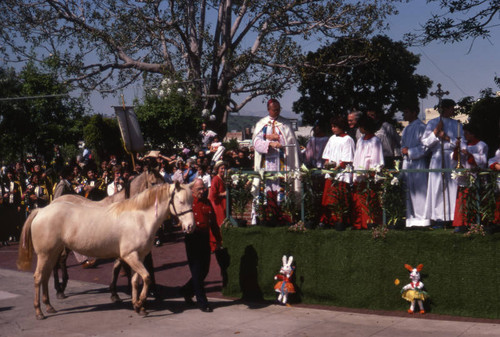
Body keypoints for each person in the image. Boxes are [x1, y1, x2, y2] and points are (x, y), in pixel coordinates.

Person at [251, 99, 300, 225]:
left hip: (282, 163)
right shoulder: (262, 124)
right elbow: (256, 143)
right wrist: (269, 142)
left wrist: (280, 142)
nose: (277, 111)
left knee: (282, 189)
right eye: (274, 109)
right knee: (265, 188)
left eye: (279, 109)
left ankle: (284, 218)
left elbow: (291, 143)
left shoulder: (285, 124)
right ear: (268, 109)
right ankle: (264, 218)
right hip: (265, 163)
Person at [180, 178, 222, 312]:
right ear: (192, 190)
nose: (202, 191)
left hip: (204, 238)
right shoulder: (188, 203)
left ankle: (186, 290)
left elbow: (213, 223)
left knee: (204, 270)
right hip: (192, 238)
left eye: (203, 188)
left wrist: (219, 239)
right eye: (199, 189)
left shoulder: (207, 202)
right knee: (197, 271)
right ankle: (202, 302)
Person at [421, 98, 462, 228]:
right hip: (437, 157)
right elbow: (426, 142)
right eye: (451, 108)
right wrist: (435, 132)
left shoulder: (457, 124)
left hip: (451, 158)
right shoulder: (432, 122)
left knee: (451, 187)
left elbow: (461, 143)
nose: (453, 111)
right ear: (444, 108)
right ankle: (438, 217)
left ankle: (451, 217)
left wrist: (447, 138)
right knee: (437, 187)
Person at [319, 115, 355, 227]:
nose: (332, 129)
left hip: (341, 174)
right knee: (328, 197)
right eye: (332, 126)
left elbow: (347, 159)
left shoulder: (348, 140)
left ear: (341, 126)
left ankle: (340, 220)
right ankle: (327, 220)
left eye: (335, 126)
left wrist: (337, 167)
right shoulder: (332, 138)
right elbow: (327, 154)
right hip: (331, 173)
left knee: (340, 198)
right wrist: (327, 163)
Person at [452, 123, 488, 231]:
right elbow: (455, 159)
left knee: (475, 199)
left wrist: (469, 154)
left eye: (466, 133)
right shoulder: (463, 144)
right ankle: (462, 224)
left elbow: (482, 161)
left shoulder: (481, 145)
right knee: (462, 200)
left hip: (476, 177)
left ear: (473, 134)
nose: (465, 135)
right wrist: (457, 148)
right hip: (464, 177)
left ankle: (476, 222)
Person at [351, 115, 384, 229]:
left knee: (370, 199)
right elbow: (357, 157)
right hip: (360, 175)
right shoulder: (360, 140)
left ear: (364, 127)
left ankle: (371, 222)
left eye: (360, 126)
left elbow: (376, 158)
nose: (359, 129)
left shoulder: (375, 141)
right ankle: (360, 223)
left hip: (369, 175)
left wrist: (371, 171)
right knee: (359, 199)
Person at [401, 104, 430, 227]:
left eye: (407, 112)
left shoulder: (422, 127)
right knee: (409, 190)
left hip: (418, 163)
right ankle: (411, 218)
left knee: (420, 190)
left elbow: (425, 147)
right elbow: (402, 144)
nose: (404, 115)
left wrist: (410, 151)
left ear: (414, 112)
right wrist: (404, 150)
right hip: (407, 163)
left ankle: (422, 219)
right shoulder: (406, 128)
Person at [208, 161, 227, 250]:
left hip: (223, 204)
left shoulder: (224, 179)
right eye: (221, 168)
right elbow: (213, 195)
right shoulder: (215, 179)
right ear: (217, 169)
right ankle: (216, 244)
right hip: (217, 205)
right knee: (219, 223)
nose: (223, 170)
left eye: (224, 168)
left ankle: (221, 243)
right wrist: (223, 194)